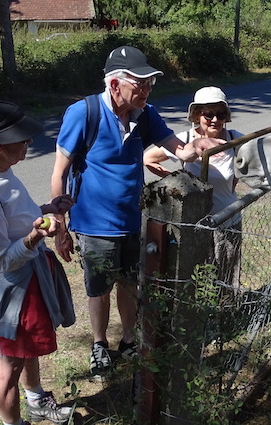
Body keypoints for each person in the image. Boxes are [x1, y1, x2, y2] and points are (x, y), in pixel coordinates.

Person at [51, 46, 222, 377]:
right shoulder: (82, 113)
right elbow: (59, 172)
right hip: (95, 225)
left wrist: (196, 146)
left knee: (130, 284)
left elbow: (179, 151)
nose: (146, 90)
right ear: (115, 85)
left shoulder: (145, 113)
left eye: (149, 83)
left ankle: (128, 340)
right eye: (140, 83)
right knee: (99, 287)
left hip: (133, 219)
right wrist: (59, 227)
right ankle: (99, 344)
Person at [0, 99, 75, 425]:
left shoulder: (4, 174)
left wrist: (47, 208)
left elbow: (18, 220)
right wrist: (36, 236)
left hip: (30, 280)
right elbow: (0, 260)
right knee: (8, 369)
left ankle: (37, 401)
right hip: (14, 293)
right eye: (21, 139)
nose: (28, 143)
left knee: (28, 351)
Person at [144, 86, 244, 293]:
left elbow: (251, 164)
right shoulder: (186, 140)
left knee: (227, 275)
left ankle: (225, 314)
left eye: (220, 113)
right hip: (195, 222)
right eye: (208, 114)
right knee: (196, 275)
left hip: (228, 221)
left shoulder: (235, 139)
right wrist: (180, 182)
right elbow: (148, 158)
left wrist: (234, 182)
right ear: (197, 115)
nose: (215, 119)